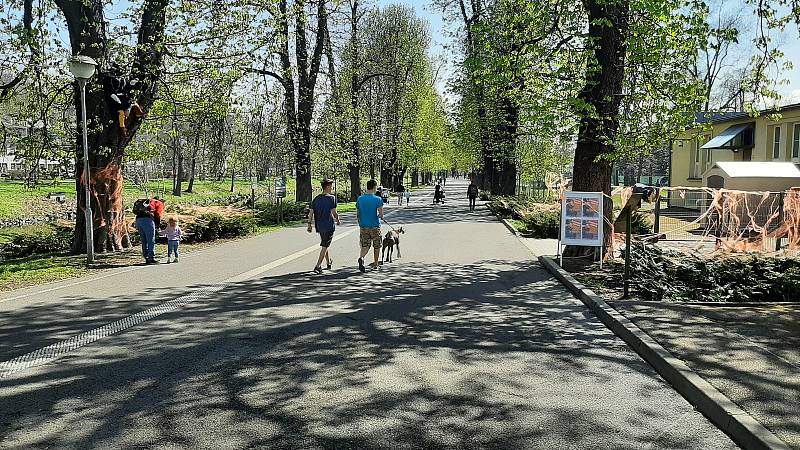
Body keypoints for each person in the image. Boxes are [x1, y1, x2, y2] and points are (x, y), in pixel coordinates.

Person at [307, 179, 341, 274]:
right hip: (329, 225)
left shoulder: (316, 199)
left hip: (319, 226)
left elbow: (311, 212)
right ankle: (318, 266)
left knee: (324, 244)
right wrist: (338, 220)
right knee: (325, 245)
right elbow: (334, 212)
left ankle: (328, 262)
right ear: (327, 187)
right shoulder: (332, 198)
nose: (332, 188)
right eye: (331, 186)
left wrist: (309, 224)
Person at [356, 179, 385, 272]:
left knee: (365, 245)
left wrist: (360, 223)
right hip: (375, 226)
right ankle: (376, 264)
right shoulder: (378, 199)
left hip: (363, 226)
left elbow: (358, 214)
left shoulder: (360, 199)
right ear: (374, 187)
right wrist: (379, 216)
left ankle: (362, 258)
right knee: (377, 246)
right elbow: (381, 215)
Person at [133, 198, 157, 264]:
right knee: (150, 240)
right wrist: (157, 225)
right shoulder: (157, 203)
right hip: (148, 221)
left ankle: (146, 257)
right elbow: (158, 214)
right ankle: (151, 258)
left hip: (138, 221)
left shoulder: (141, 203)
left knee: (144, 241)